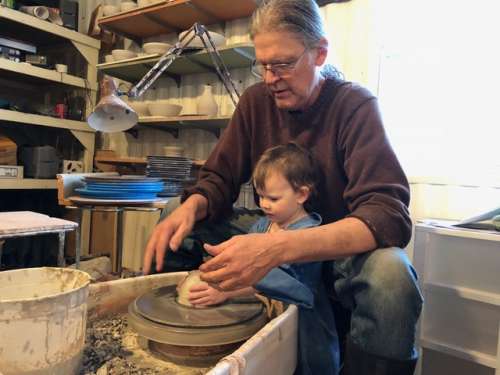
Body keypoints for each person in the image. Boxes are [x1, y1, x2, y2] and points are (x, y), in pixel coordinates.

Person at [144, 0, 423, 373]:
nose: (271, 78)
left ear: (319, 52)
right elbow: (219, 177)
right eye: (263, 65)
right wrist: (190, 206)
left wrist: (276, 248)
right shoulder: (256, 102)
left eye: (284, 64)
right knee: (177, 219)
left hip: (333, 251)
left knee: (392, 278)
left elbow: (388, 216)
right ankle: (187, 343)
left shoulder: (354, 106)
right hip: (275, 227)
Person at [188, 143, 339, 374]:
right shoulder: (263, 224)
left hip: (306, 333)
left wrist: (226, 290)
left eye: (273, 198)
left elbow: (288, 284)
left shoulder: (309, 233)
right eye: (260, 196)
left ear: (301, 194)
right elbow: (243, 265)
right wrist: (217, 266)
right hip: (270, 321)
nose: (264, 204)